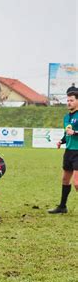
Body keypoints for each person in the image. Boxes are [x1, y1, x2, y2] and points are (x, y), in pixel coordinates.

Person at [48, 86, 78, 214]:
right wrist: (62, 140)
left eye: (71, 100)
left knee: (76, 182)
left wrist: (75, 132)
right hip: (69, 151)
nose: (69, 103)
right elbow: (67, 133)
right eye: (68, 100)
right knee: (65, 180)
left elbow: (73, 132)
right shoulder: (66, 117)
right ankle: (62, 206)